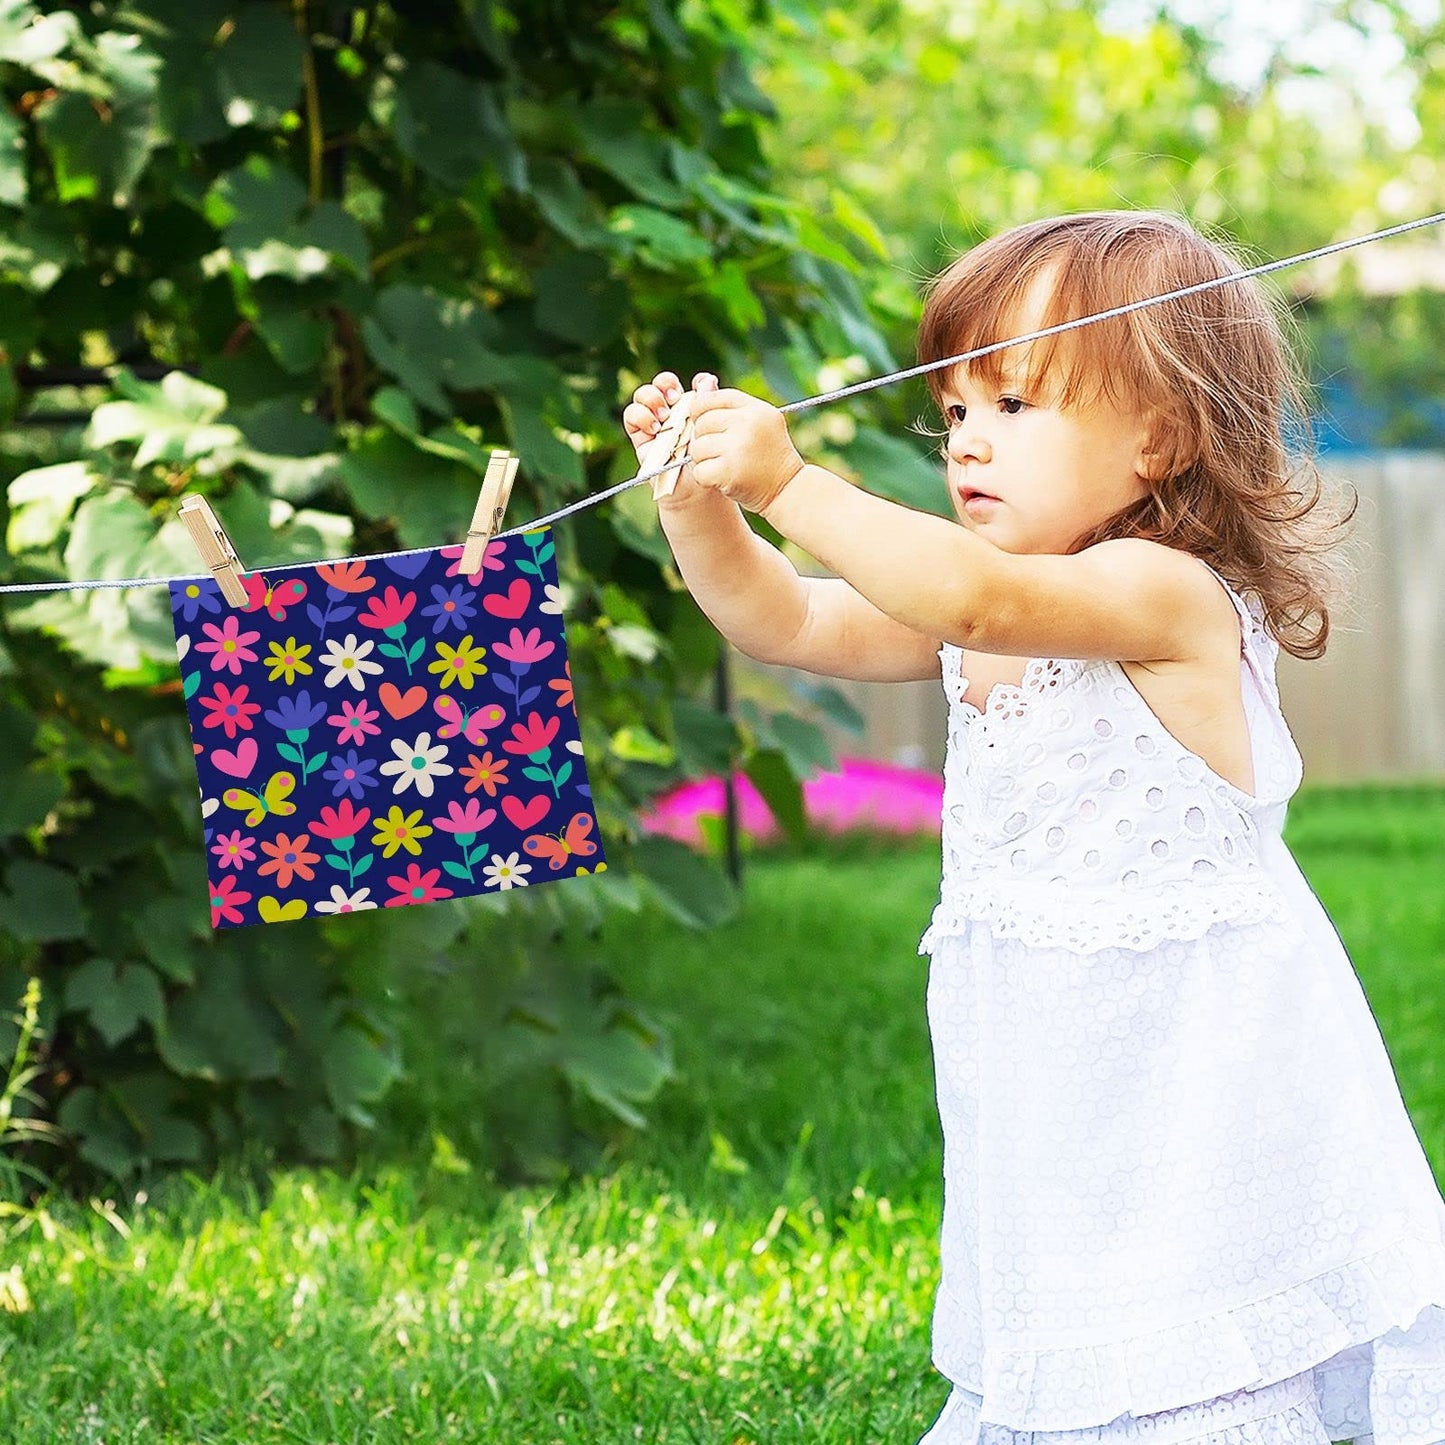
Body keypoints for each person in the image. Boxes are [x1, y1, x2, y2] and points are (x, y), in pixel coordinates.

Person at [620, 209, 1445, 1445]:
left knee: (1186, 1326)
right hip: (1049, 1058)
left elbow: (978, 593)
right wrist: (699, 505)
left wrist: (790, 478)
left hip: (1197, 1070)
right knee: (1071, 1291)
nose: (967, 444)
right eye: (953, 412)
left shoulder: (1156, 593)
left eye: (1012, 405)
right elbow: (785, 619)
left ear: (1158, 435)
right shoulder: (977, 604)